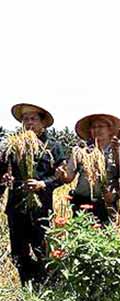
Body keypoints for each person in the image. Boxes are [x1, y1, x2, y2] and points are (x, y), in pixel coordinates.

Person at [0, 103, 67, 284]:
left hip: (42, 208)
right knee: (18, 252)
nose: (29, 123)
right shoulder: (12, 146)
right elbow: (2, 174)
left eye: (33, 119)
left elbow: (61, 177)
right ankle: (27, 285)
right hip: (16, 207)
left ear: (42, 122)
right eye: (25, 119)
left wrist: (42, 184)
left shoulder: (53, 146)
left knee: (42, 249)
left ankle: (43, 285)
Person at [56, 113, 120, 224]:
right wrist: (62, 174)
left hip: (106, 205)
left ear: (110, 130)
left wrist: (114, 196)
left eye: (100, 127)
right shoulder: (80, 151)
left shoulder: (119, 152)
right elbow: (69, 178)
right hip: (81, 203)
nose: (96, 130)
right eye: (93, 127)